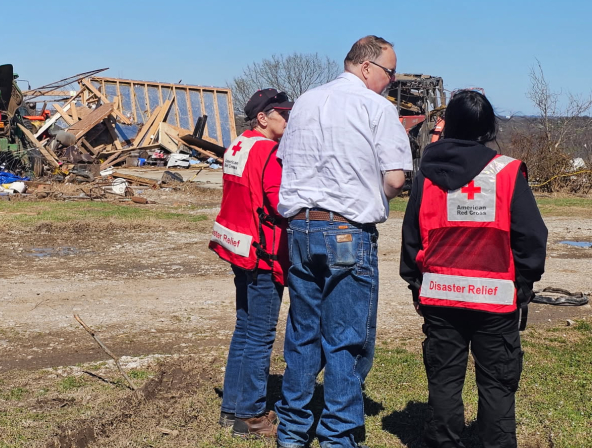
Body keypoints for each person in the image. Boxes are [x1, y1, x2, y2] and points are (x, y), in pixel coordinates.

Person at [275, 36, 412, 448]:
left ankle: (294, 430)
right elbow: (395, 178)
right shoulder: (376, 108)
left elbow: (286, 161)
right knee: (345, 338)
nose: (391, 82)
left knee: (302, 332)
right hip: (346, 231)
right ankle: (338, 435)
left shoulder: (306, 101)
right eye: (389, 73)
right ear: (368, 67)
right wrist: (368, 190)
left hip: (299, 227)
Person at [399, 90, 547, 448]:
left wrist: (416, 286)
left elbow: (411, 239)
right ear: (487, 129)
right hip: (495, 299)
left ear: (448, 126)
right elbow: (532, 236)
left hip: (440, 297)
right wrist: (523, 283)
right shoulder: (507, 172)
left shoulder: (425, 176)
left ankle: (443, 441)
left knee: (445, 380)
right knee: (497, 382)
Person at [209, 88, 293, 438]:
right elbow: (280, 204)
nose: (288, 120)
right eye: (283, 114)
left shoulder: (239, 145)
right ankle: (251, 416)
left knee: (243, 329)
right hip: (262, 252)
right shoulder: (268, 151)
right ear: (263, 117)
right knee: (259, 335)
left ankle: (231, 407)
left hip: (237, 247)